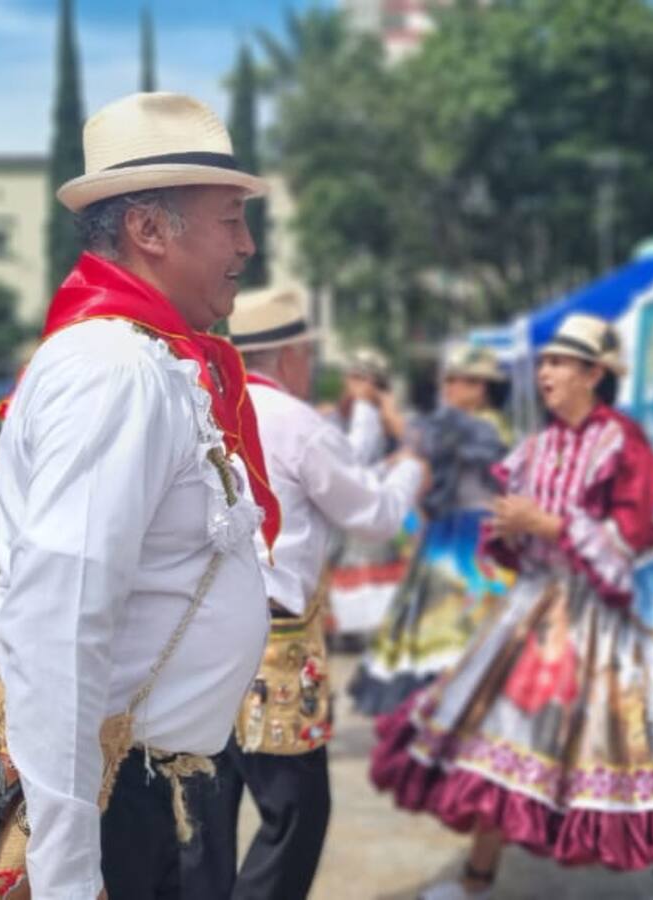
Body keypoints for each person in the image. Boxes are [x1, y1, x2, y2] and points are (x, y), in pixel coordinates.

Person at [0, 92, 280, 897]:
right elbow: (58, 627)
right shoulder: (116, 370)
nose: (246, 245)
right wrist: (67, 873)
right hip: (101, 800)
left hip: (135, 781)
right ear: (147, 230)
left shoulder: (145, 359)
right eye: (230, 219)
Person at [371, 314, 653, 900]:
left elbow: (630, 534)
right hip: (547, 604)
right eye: (545, 363)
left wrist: (547, 524)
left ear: (594, 374)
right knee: (500, 739)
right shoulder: (540, 446)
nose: (545, 374)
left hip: (625, 611)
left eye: (559, 363)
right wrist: (513, 529)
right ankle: (478, 879)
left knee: (648, 741)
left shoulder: (622, 441)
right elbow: (513, 533)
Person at [179, 285, 426, 900]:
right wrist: (415, 464)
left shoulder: (199, 408)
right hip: (274, 644)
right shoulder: (297, 422)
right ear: (291, 356)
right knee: (295, 812)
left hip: (199, 638)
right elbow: (373, 516)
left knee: (204, 818)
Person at [350, 345, 513, 716]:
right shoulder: (457, 424)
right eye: (450, 380)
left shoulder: (486, 427)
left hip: (479, 541)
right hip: (446, 535)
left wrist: (382, 402)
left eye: (466, 381)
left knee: (465, 638)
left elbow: (421, 437)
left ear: (485, 387)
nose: (453, 388)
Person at [328, 347, 416, 640]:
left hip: (377, 520)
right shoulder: (335, 419)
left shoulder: (388, 419)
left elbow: (360, 464)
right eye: (354, 378)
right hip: (346, 526)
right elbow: (352, 464)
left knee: (374, 593)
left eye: (366, 380)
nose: (357, 386)